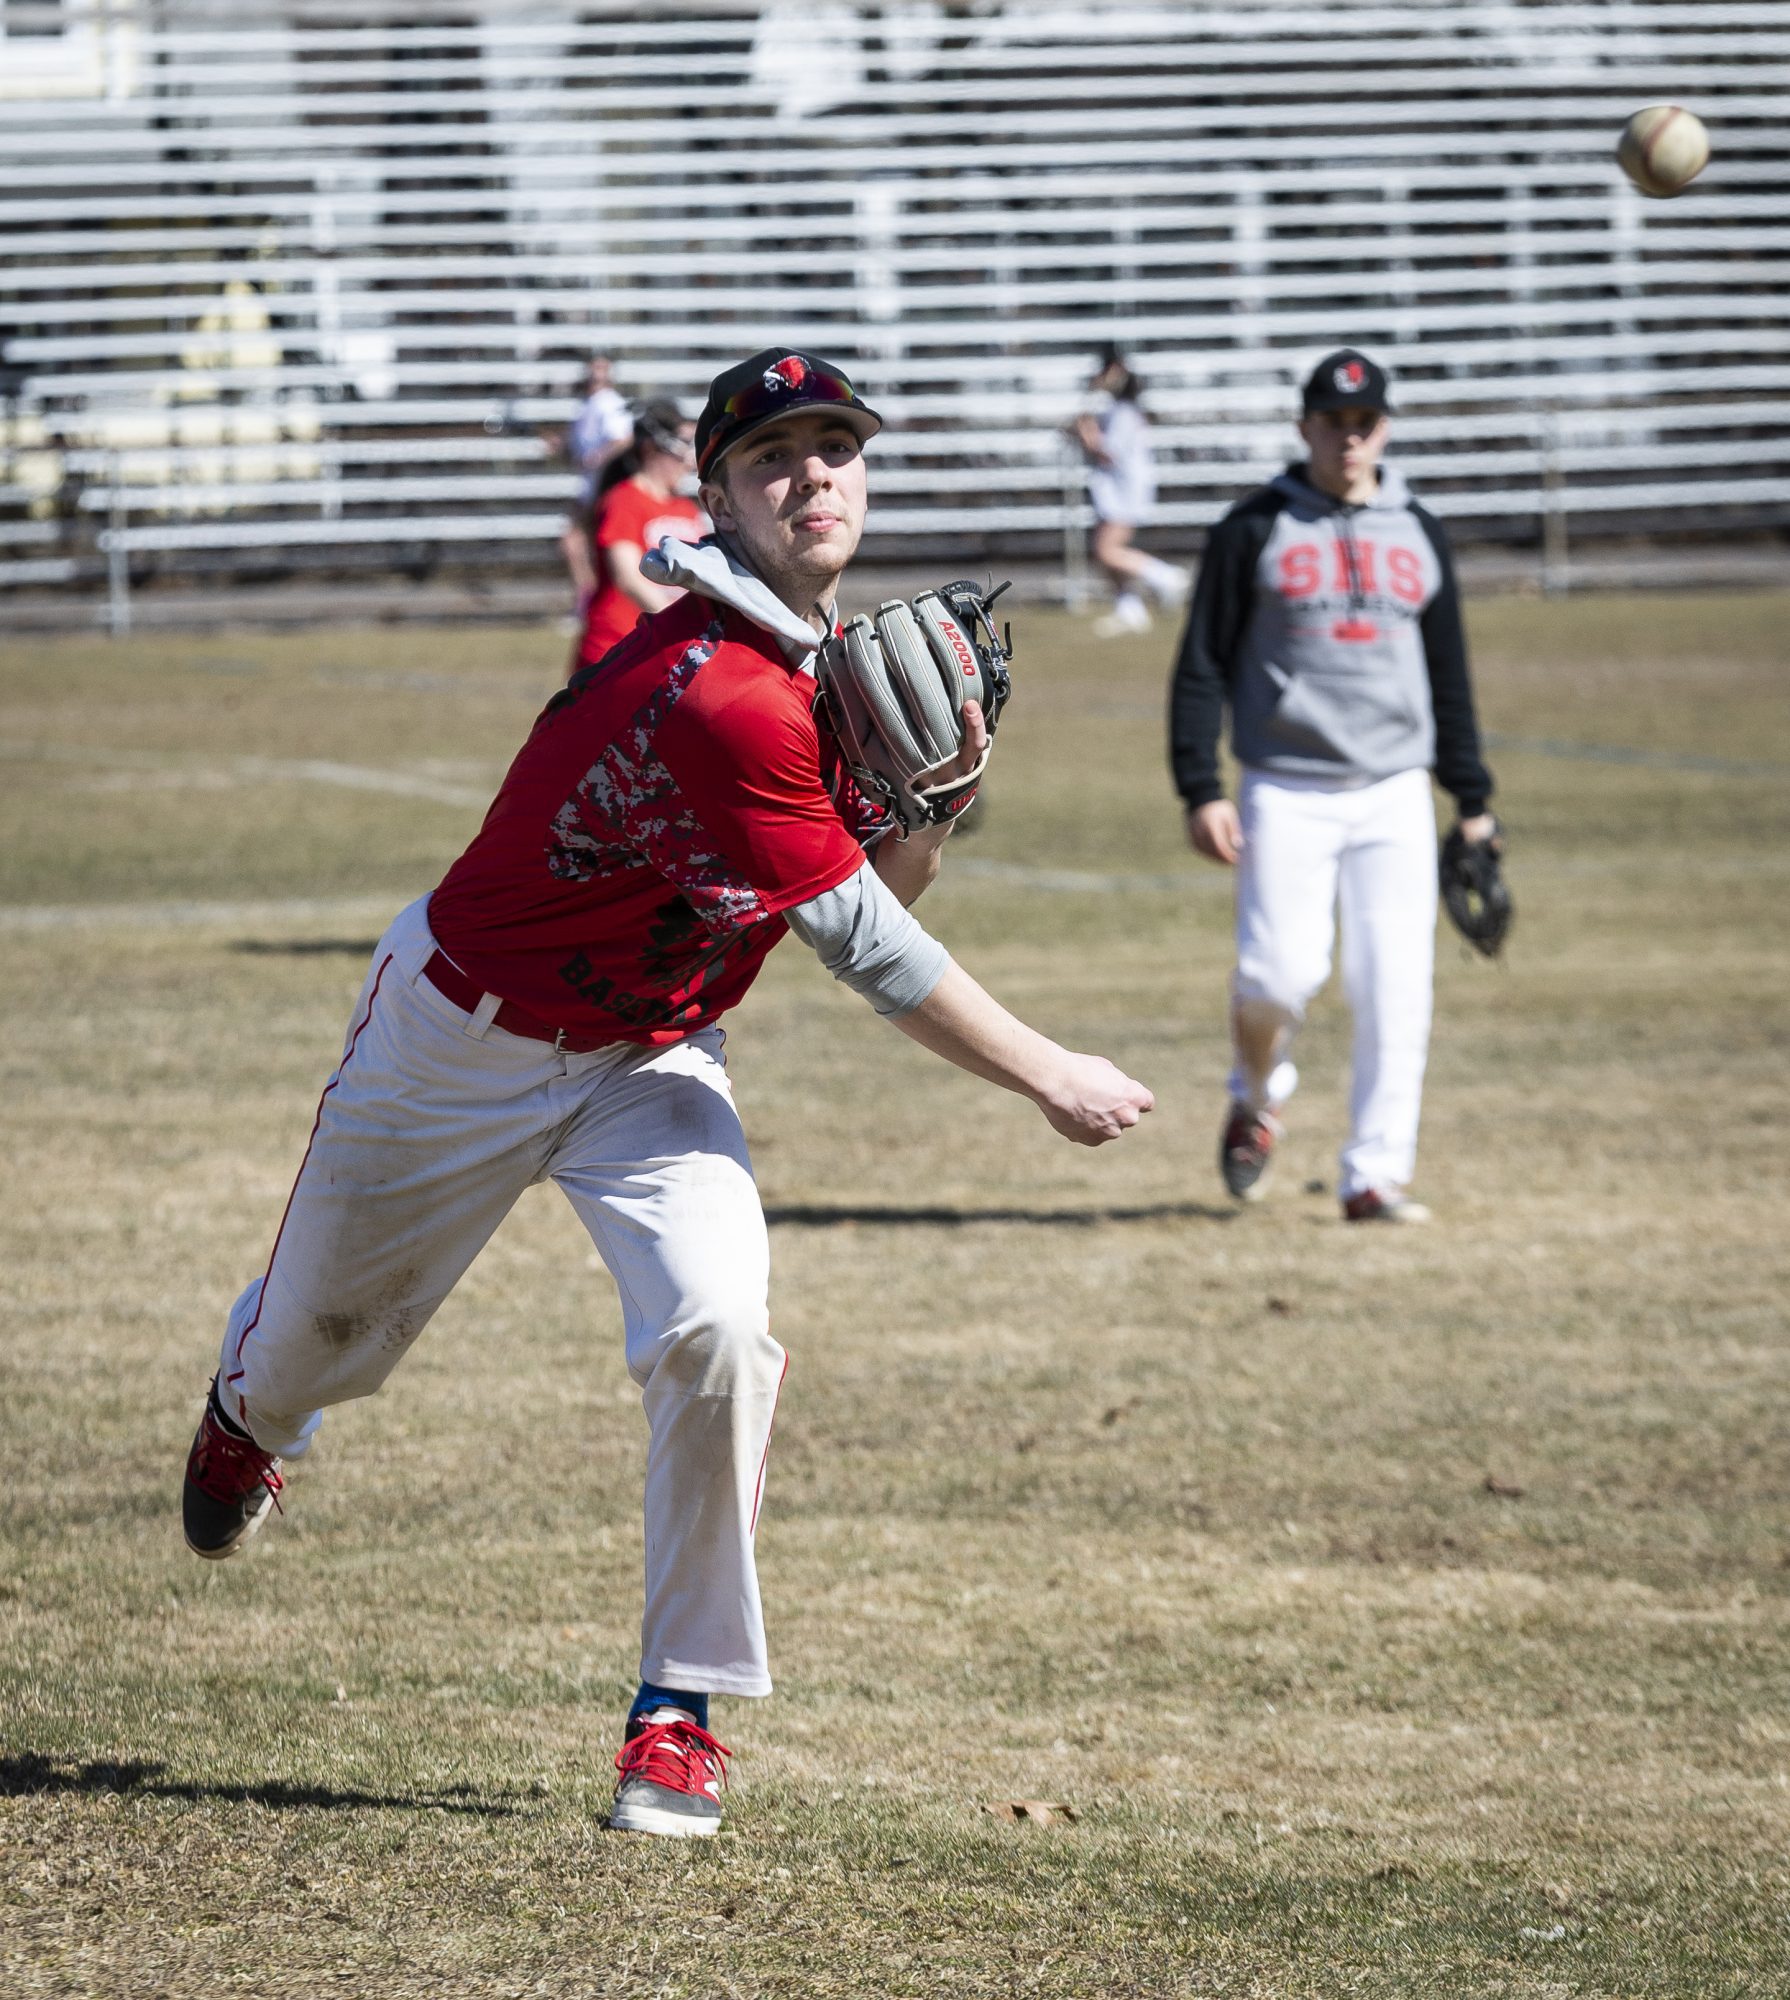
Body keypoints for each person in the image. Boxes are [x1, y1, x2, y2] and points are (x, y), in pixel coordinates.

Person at [181, 345, 1154, 1840]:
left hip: (650, 1058)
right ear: (712, 496)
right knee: (320, 1348)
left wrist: (932, 810)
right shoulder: (723, 691)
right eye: (773, 457)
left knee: (716, 1329)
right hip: (458, 1041)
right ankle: (253, 1410)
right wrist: (1047, 1074)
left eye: (836, 446)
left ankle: (676, 1713)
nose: (812, 474)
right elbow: (867, 949)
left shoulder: (817, 674)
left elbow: (876, 880)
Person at [1169, 347, 1498, 1224]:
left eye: (1363, 423)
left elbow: (1449, 676)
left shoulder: (1417, 529)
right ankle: (1258, 1088)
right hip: (1286, 784)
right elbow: (1202, 664)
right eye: (1332, 422)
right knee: (1278, 975)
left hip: (1395, 786)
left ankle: (1374, 1176)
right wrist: (1201, 784)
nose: (1348, 439)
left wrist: (1472, 802)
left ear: (1381, 428)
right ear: (1304, 426)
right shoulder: (1254, 528)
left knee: (1397, 988)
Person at [567, 398, 706, 678]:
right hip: (615, 649)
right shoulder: (623, 500)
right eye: (681, 449)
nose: (689, 462)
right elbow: (627, 576)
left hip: (664, 651)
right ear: (651, 449)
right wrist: (684, 625)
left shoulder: (686, 509)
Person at [1069, 346, 1189, 638]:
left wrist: (1085, 432)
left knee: (1107, 551)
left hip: (1124, 490)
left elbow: (1108, 452)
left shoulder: (1124, 412)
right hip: (1113, 489)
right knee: (1104, 553)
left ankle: (1166, 576)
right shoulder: (1116, 410)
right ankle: (1129, 608)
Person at [557, 354, 634, 614]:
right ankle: (588, 601)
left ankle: (590, 603)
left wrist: (597, 457)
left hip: (604, 487)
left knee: (578, 543)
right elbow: (577, 450)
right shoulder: (586, 405)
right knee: (578, 545)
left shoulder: (609, 403)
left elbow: (622, 439)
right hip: (590, 486)